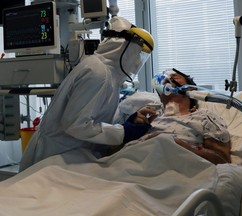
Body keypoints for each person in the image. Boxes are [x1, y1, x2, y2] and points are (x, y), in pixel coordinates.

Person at [19, 16, 154, 171]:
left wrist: (128, 121)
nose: (137, 62)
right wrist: (123, 132)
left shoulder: (107, 74)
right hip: (54, 156)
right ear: (122, 47)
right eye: (137, 53)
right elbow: (76, 125)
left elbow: (96, 116)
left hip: (69, 156)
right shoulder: (98, 73)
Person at [122, 69, 231, 165]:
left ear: (191, 90)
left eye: (174, 77)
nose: (166, 80)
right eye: (164, 79)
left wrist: (177, 145)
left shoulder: (205, 117)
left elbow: (222, 161)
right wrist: (128, 131)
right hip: (130, 165)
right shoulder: (146, 117)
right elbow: (111, 152)